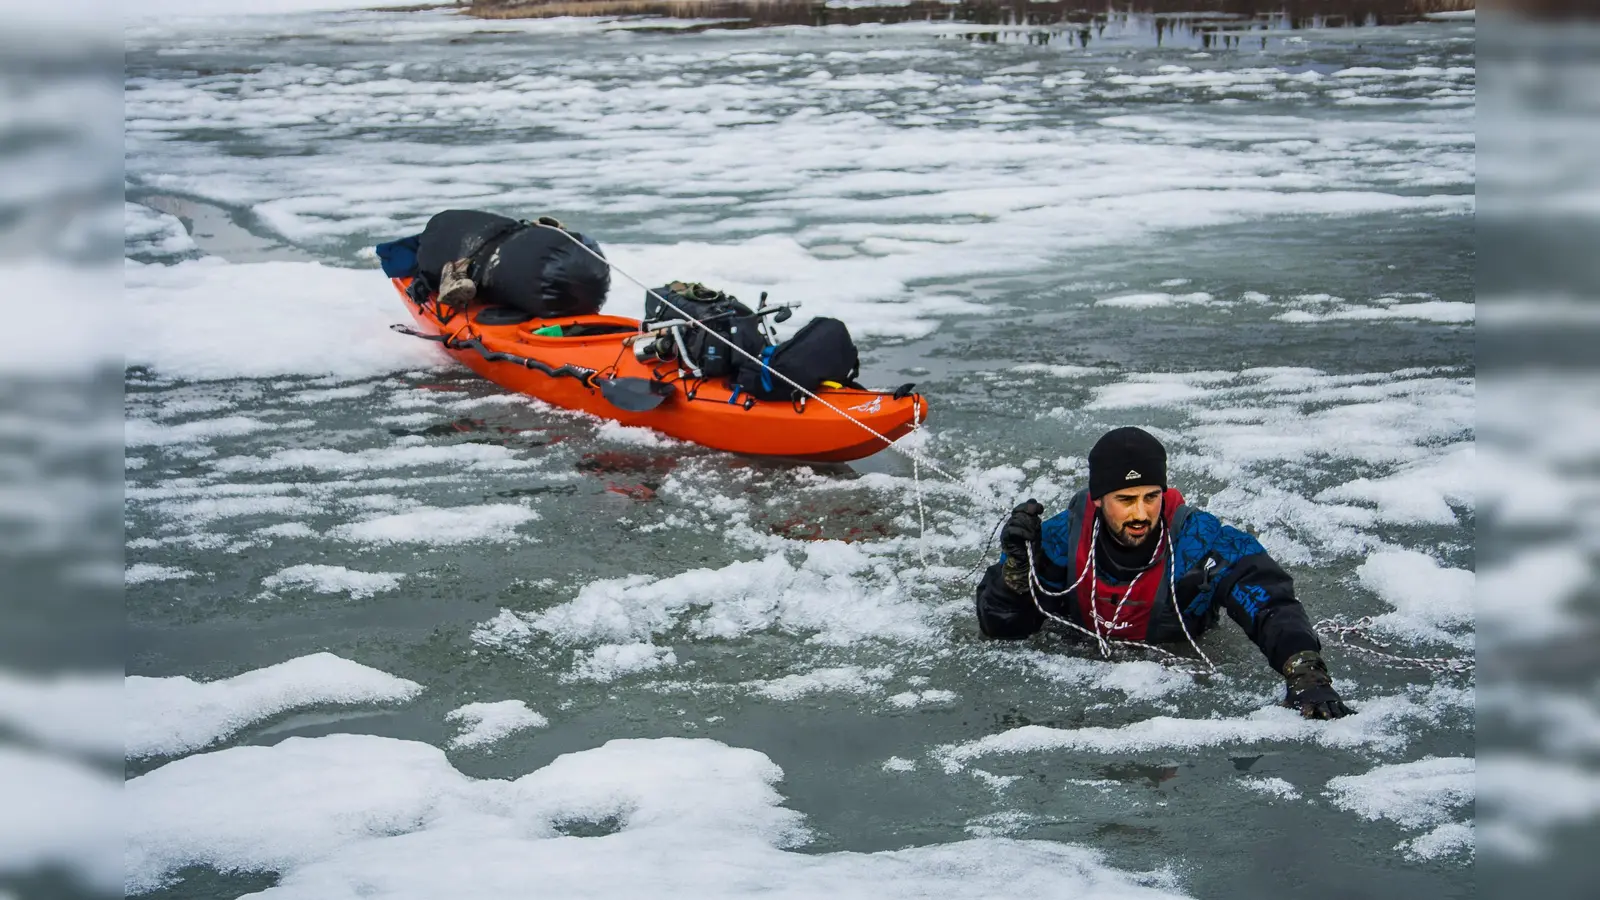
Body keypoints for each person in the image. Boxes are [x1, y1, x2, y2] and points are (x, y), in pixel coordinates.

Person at [974, 426, 1351, 719]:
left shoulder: (1200, 542)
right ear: (1098, 499)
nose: (1140, 513)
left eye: (1150, 497)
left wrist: (1306, 673)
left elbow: (1270, 603)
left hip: (1175, 690)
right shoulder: (1061, 538)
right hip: (1080, 688)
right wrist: (1016, 573)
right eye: (1125, 500)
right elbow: (1002, 630)